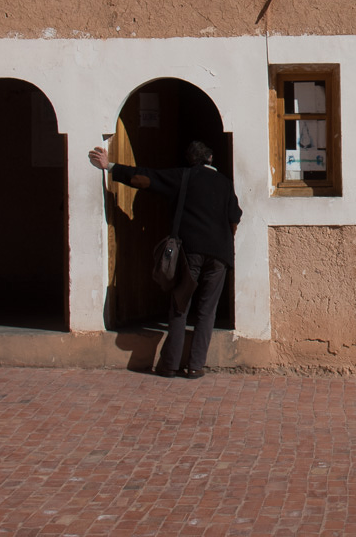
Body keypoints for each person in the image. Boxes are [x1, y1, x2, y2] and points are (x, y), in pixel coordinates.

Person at [88, 139, 242, 378]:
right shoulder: (225, 183)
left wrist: (110, 167)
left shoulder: (184, 176)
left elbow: (146, 179)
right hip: (219, 255)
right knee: (207, 310)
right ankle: (195, 366)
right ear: (210, 159)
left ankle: (169, 364)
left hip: (190, 252)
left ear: (191, 160)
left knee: (180, 306)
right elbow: (235, 217)